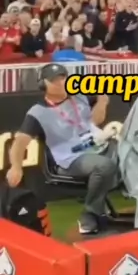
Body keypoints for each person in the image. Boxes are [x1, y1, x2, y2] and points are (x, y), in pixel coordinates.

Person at [6, 63, 118, 234]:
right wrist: (16, 166)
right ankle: (90, 214)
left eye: (63, 78)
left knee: (132, 149)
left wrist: (102, 101)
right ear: (43, 84)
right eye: (54, 80)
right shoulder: (37, 112)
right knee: (104, 166)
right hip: (70, 158)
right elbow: (20, 142)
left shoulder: (80, 96)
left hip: (97, 146)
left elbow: (96, 121)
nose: (61, 83)